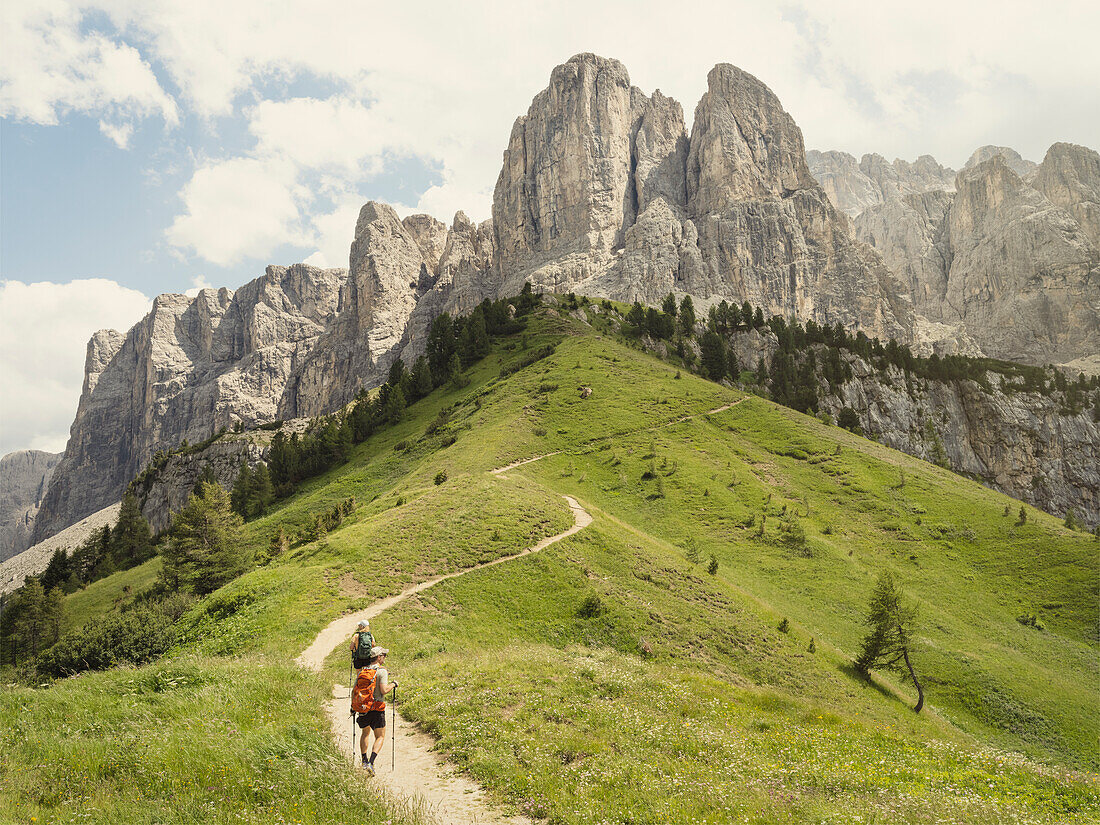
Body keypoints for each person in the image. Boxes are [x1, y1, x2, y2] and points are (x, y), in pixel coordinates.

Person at [351, 646, 397, 775]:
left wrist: (352, 707)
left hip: (363, 708)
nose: (384, 658)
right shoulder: (381, 672)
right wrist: (393, 684)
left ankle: (364, 761)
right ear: (379, 657)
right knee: (380, 736)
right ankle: (371, 762)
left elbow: (354, 690)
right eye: (384, 655)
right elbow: (384, 691)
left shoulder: (362, 672)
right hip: (377, 708)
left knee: (365, 734)